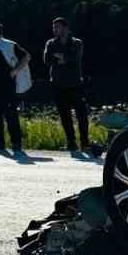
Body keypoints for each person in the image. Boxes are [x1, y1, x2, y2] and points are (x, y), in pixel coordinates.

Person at [42, 16, 94, 155]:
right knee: (64, 115)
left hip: (75, 83)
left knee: (81, 114)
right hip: (57, 84)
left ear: (65, 28)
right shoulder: (51, 43)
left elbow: (74, 58)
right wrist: (62, 58)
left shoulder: (77, 43)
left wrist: (61, 58)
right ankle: (71, 143)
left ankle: (85, 143)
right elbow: (47, 60)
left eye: (57, 27)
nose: (55, 30)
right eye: (54, 27)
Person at [0, 20, 31, 153]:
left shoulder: (9, 44)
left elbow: (26, 57)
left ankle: (16, 143)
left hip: (7, 85)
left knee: (10, 114)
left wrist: (15, 71)